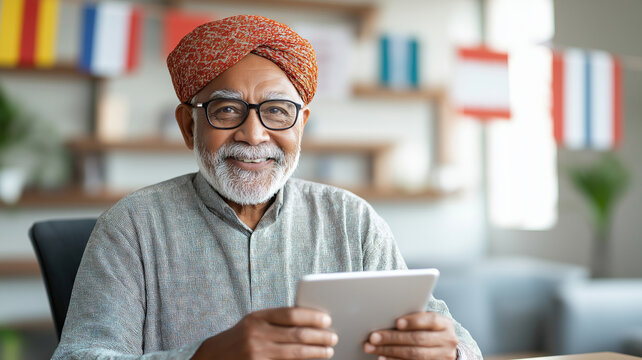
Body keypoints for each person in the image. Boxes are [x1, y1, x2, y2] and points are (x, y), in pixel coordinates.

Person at [52, 15, 482, 360]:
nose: (254, 135)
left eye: (277, 111)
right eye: (226, 110)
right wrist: (204, 357)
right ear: (188, 126)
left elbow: (456, 338)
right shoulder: (131, 227)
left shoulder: (353, 221)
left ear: (302, 126)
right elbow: (80, 355)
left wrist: (449, 350)